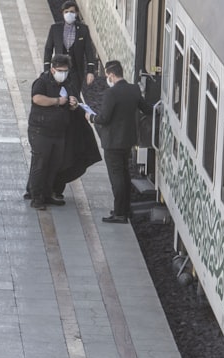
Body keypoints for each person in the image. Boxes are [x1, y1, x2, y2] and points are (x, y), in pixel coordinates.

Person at [88, 60, 151, 223]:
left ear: (112, 75)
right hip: (128, 141)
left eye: (107, 75)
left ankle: (119, 214)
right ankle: (125, 209)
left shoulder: (112, 93)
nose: (107, 78)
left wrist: (91, 117)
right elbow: (147, 109)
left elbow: (104, 118)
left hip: (113, 142)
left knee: (117, 178)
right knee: (124, 175)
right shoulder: (134, 89)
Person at [28, 55, 78, 210]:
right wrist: (57, 101)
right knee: (40, 164)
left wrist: (73, 103)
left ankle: (47, 193)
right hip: (41, 130)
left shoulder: (68, 83)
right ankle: (36, 197)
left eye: (66, 71)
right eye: (60, 71)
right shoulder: (42, 82)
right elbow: (37, 99)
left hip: (59, 132)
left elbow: (72, 100)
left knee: (54, 165)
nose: (63, 74)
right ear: (52, 69)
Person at [42, 0, 98, 99]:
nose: (69, 14)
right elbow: (48, 49)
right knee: (58, 92)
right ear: (63, 13)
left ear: (76, 13)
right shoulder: (55, 29)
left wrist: (90, 71)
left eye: (72, 12)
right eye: (66, 12)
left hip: (76, 70)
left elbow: (89, 51)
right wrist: (47, 68)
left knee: (74, 94)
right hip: (59, 68)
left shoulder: (83, 29)